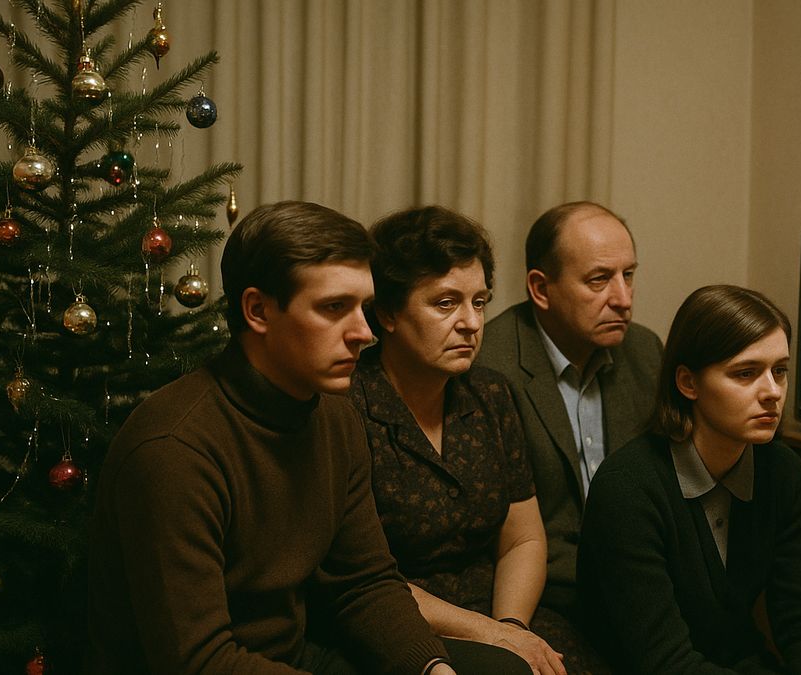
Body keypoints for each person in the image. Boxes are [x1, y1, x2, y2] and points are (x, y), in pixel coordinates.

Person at [87, 201, 460, 674]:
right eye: (334, 308)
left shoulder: (336, 418)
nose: (364, 333)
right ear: (258, 310)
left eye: (364, 308)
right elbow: (196, 660)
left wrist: (431, 667)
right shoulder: (173, 448)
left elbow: (364, 583)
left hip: (293, 658)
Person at [349, 206, 602, 675]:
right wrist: (491, 636)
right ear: (387, 313)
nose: (471, 322)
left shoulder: (489, 394)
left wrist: (511, 626)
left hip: (501, 612)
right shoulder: (348, 408)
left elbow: (522, 538)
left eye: (480, 302)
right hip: (402, 627)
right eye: (446, 303)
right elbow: (361, 580)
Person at [577, 285, 801, 674]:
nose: (772, 392)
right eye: (746, 373)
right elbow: (663, 661)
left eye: (779, 371)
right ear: (688, 383)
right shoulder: (627, 488)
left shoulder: (782, 471)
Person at [474, 201, 662, 617]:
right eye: (599, 280)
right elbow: (488, 533)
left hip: (642, 583)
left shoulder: (645, 352)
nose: (623, 299)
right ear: (541, 289)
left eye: (628, 275)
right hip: (544, 596)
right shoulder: (489, 366)